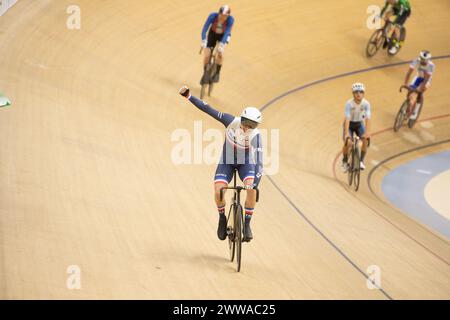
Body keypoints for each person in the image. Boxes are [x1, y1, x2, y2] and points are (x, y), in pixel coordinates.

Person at [179, 85, 263, 242]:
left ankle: (247, 224)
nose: (247, 128)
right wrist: (189, 96)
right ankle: (222, 218)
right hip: (227, 162)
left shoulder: (256, 136)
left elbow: (259, 163)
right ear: (241, 119)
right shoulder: (230, 121)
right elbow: (208, 109)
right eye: (245, 123)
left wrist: (255, 184)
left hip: (245, 164)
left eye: (252, 126)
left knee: (251, 190)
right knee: (219, 191)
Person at [200, 5, 234, 83]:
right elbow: (205, 28)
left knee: (220, 53)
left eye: (226, 16)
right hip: (213, 34)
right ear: (219, 13)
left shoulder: (230, 20)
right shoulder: (212, 16)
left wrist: (221, 45)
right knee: (207, 54)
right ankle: (205, 73)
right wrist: (203, 40)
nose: (223, 18)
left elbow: (227, 32)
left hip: (224, 36)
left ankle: (217, 73)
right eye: (222, 15)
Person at [341, 83, 371, 172]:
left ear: (363, 93)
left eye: (361, 92)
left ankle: (361, 160)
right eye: (356, 92)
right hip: (349, 125)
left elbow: (368, 118)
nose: (358, 94)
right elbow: (347, 119)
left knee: (365, 140)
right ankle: (345, 161)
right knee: (349, 143)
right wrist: (346, 133)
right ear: (353, 94)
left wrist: (368, 132)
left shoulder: (366, 104)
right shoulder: (349, 104)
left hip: (359, 124)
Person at [402, 50, 434, 119]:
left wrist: (420, 88)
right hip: (418, 77)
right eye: (421, 59)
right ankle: (409, 105)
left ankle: (415, 112)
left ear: (428, 60)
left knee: (419, 92)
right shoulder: (416, 60)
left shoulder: (431, 66)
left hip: (426, 80)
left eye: (424, 60)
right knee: (410, 91)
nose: (422, 61)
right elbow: (409, 73)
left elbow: (426, 79)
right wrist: (405, 83)